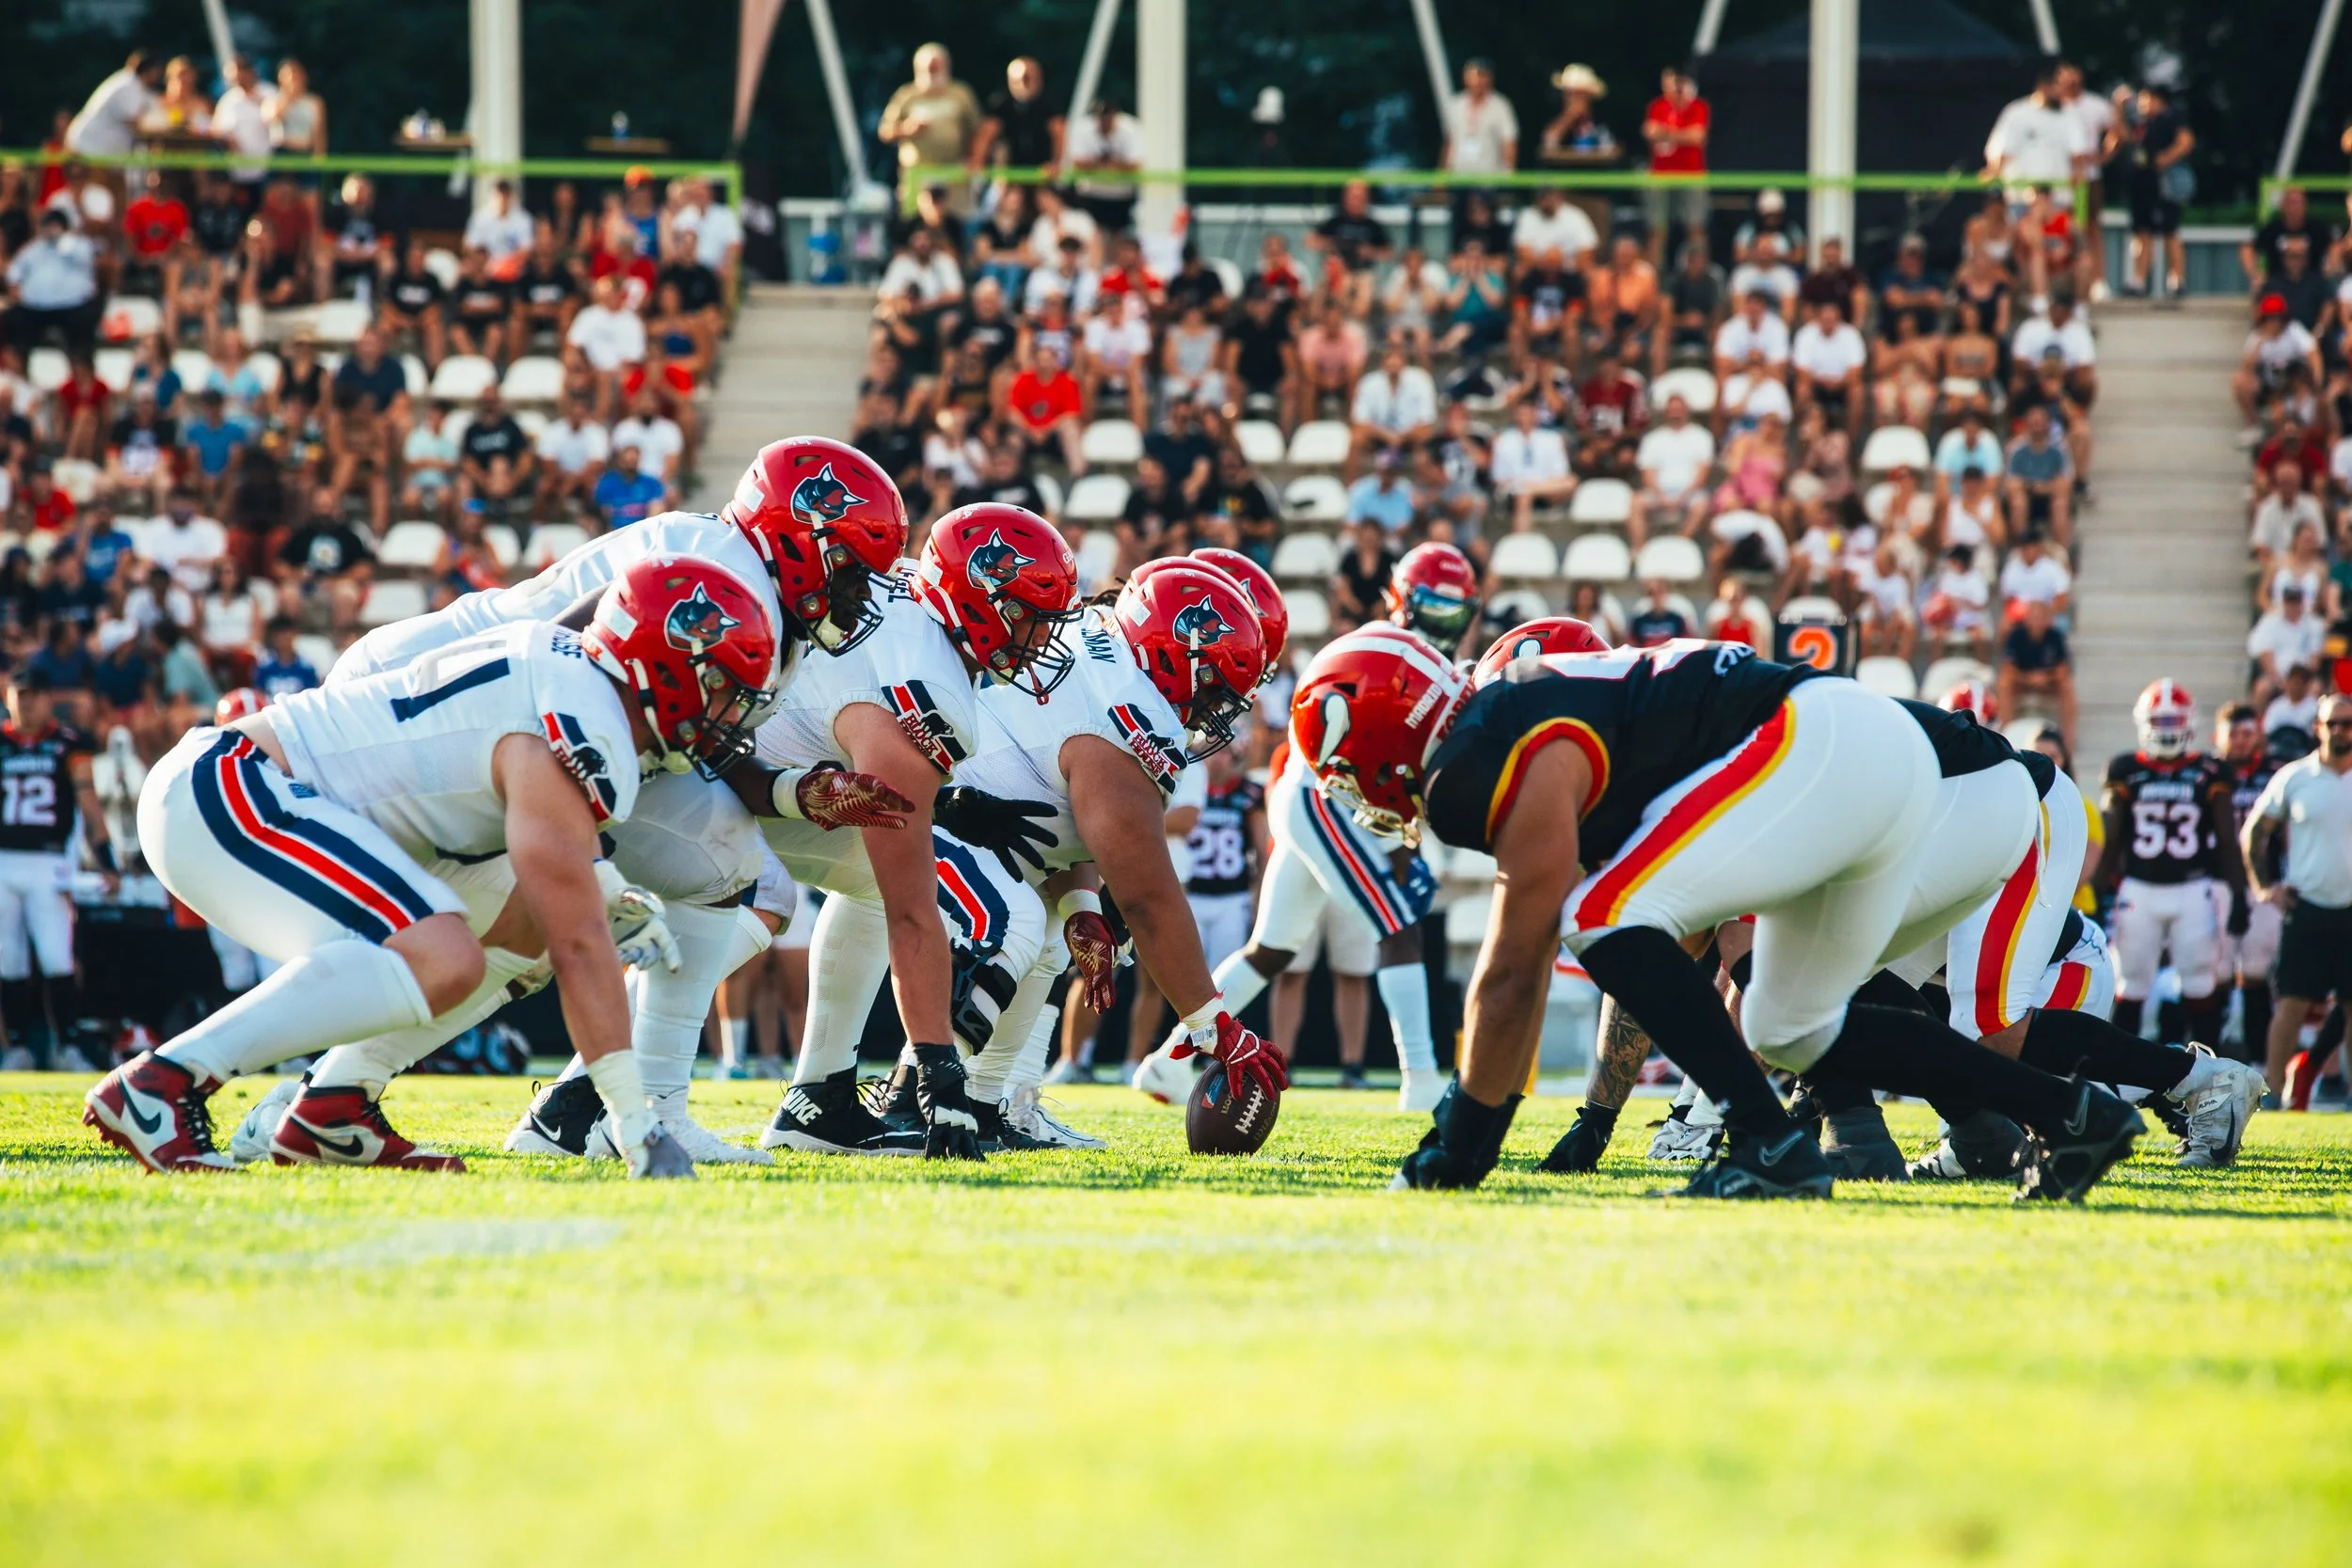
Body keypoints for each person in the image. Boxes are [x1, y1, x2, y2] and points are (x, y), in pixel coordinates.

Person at [1295, 626, 2142, 1199]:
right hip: (1880, 764)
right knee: (1787, 1023)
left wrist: (1461, 1145)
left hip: (1831, 745)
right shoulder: (1543, 702)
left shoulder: (1483, 745)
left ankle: (1767, 1144)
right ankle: (2071, 1113)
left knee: (1598, 911)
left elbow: (1518, 960)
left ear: (1368, 728)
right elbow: (1661, 945)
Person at [85, 555, 779, 1177]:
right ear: (665, 662)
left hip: (262, 798)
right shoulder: (586, 722)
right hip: (234, 789)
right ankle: (161, 1084)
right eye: (722, 686)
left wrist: (597, 892)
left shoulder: (573, 677)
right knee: (448, 953)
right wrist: (637, 1124)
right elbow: (583, 945)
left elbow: (555, 914)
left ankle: (334, 1104)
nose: (728, 712)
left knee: (524, 930)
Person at [1138, 547, 1473, 1114]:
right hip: (1326, 799)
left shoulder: (1427, 662)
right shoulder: (1380, 650)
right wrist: (1394, 842)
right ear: (1402, 602)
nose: (1442, 618)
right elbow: (1364, 759)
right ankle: (1420, 1081)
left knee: (1270, 950)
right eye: (1433, 604)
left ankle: (1168, 1061)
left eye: (1453, 607)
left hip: (1331, 805)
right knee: (1400, 925)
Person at [2095, 680, 2242, 1049]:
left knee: (2199, 982)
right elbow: (2111, 839)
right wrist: (2097, 890)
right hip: (2139, 890)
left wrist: (2238, 894)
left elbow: (2228, 840)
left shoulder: (2210, 771)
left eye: (2173, 721)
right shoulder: (2125, 768)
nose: (2166, 730)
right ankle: (2121, 1073)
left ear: (2189, 723)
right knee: (2130, 983)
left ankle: (2208, 1068)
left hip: (2193, 889)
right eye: (2159, 721)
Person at [2243, 692, 2352, 1101]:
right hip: (2306, 905)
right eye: (2333, 723)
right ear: (2318, 728)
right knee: (2291, 1004)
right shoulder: (2296, 776)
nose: (2341, 731)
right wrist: (2263, 886)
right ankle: (2270, 1094)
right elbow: (2255, 831)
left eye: (2348, 723)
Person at [0, 671, 111, 1071]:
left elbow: (89, 803)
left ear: (48, 699)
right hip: (3, 860)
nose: (26, 703)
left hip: (48, 862)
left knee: (57, 959)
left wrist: (106, 860)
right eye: (20, 695)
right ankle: (15, 1047)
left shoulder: (67, 744)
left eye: (34, 695)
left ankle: (67, 1045)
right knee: (8, 961)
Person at [880, 44, 985, 225]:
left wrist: (975, 158)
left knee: (959, 224)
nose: (932, 72)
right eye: (928, 68)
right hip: (918, 174)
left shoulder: (960, 94)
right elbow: (885, 131)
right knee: (916, 225)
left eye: (936, 67)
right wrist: (906, 129)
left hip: (955, 173)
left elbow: (979, 130)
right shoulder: (906, 96)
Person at [2123, 84, 2194, 298]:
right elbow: (2123, 136)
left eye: (2146, 99)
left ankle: (2176, 280)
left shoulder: (2171, 118)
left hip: (2163, 185)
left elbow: (2186, 141)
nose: (2142, 105)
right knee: (2143, 232)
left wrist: (2165, 159)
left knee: (2169, 230)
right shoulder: (2141, 124)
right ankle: (2139, 279)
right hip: (2142, 186)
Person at [4, 207, 102, 357]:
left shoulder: (79, 245)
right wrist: (15, 288)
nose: (50, 229)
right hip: (36, 308)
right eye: (47, 225)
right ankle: (18, 369)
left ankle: (81, 369)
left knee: (85, 326)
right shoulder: (34, 248)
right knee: (11, 320)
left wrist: (64, 241)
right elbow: (14, 270)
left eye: (54, 225)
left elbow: (86, 259)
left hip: (73, 307)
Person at [1641, 69, 1709, 259]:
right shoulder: (1657, 106)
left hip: (1692, 174)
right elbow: (1648, 132)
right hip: (1660, 174)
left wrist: (1665, 132)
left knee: (1695, 228)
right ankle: (1655, 281)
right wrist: (1681, 134)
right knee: (1657, 230)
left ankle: (1699, 277)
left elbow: (1698, 136)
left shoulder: (1698, 106)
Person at [1995, 594, 2076, 751]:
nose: (2037, 621)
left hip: (2048, 682)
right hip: (2022, 681)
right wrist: (2028, 678)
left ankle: (2067, 741)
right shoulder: (2016, 635)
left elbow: (2062, 669)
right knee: (2004, 684)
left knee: (2066, 687)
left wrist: (2045, 678)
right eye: (2033, 617)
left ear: (2048, 619)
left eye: (2041, 617)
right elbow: (2008, 667)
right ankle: (2004, 736)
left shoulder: (2055, 637)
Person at [1490, 396, 1577, 531]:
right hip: (1515, 491)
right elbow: (1499, 478)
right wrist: (1524, 486)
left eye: (1528, 413)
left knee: (1571, 481)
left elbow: (1561, 473)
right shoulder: (1503, 440)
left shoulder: (1552, 439)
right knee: (1524, 496)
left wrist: (1534, 486)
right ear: (1515, 415)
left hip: (1546, 489)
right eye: (1521, 413)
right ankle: (1522, 543)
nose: (1524, 418)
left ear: (1535, 415)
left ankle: (1531, 491)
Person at [66, 53, 164, 160]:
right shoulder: (130, 86)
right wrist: (162, 130)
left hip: (90, 143)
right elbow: (134, 124)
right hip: (90, 145)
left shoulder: (126, 81)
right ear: (152, 70)